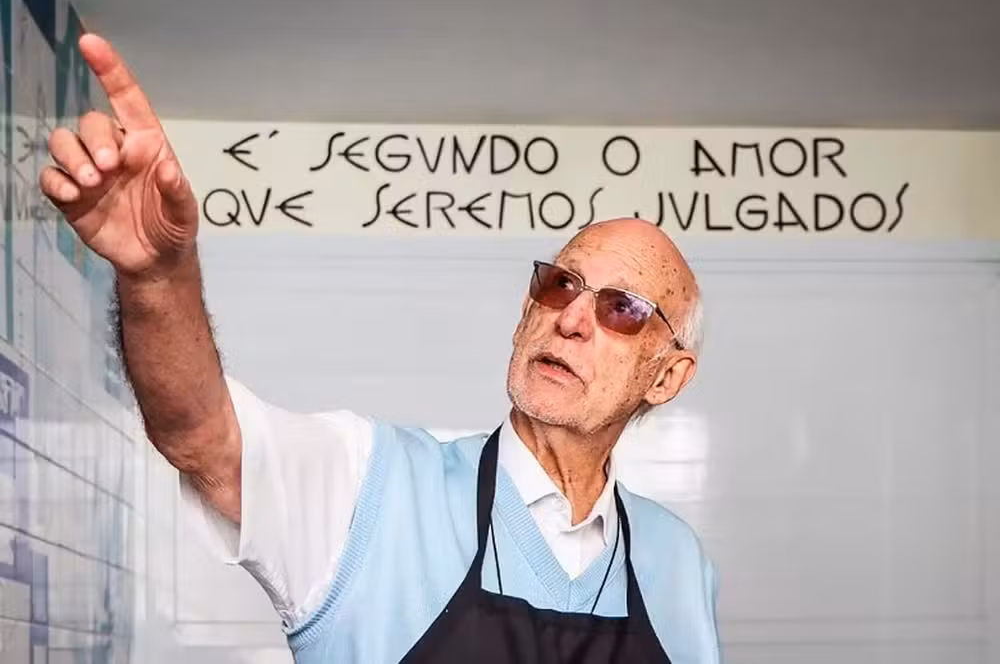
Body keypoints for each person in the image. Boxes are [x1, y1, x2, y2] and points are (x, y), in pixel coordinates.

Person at [42, 33, 722, 664]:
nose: (571, 317)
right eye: (559, 284)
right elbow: (201, 436)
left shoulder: (679, 564)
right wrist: (157, 278)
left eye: (621, 308)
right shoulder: (371, 484)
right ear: (526, 312)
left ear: (667, 377)